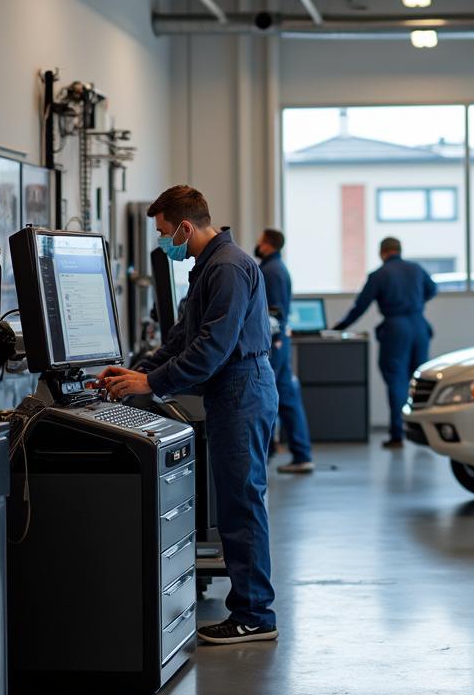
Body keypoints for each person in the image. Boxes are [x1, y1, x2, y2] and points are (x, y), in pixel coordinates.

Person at [99, 186, 279, 645]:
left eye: (164, 233)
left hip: (243, 387)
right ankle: (251, 609)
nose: (164, 243)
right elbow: (183, 337)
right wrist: (136, 373)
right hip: (231, 390)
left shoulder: (229, 268)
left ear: (184, 226)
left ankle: (255, 616)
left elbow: (212, 349)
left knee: (241, 505)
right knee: (237, 503)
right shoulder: (209, 268)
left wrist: (151, 384)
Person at [333, 237, 437, 449]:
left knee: (396, 381)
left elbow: (360, 306)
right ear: (399, 250)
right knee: (420, 382)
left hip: (396, 329)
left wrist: (339, 328)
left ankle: (397, 435)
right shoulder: (416, 269)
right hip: (419, 326)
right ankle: (424, 434)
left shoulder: (379, 275)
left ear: (382, 253)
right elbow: (433, 290)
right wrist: (416, 303)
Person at [255, 228, 314, 475]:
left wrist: (275, 340)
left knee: (267, 398)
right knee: (287, 399)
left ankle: (265, 457)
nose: (256, 245)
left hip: (274, 344)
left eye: (259, 241)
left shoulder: (271, 271)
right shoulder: (275, 268)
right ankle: (301, 454)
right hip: (279, 342)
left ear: (267, 244)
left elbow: (274, 312)